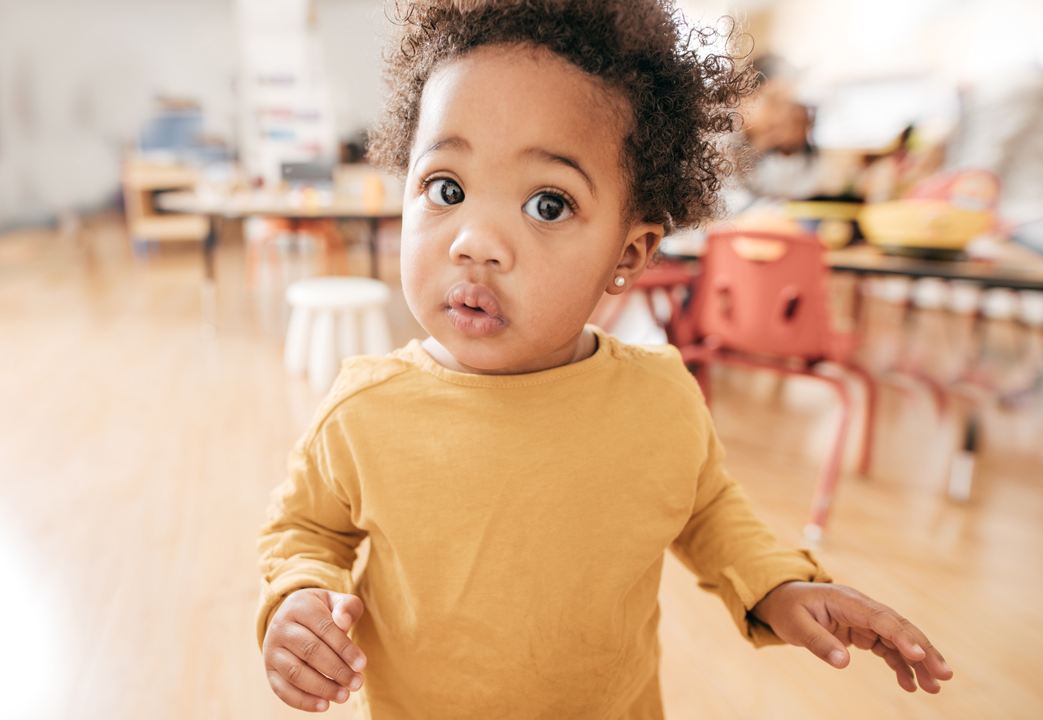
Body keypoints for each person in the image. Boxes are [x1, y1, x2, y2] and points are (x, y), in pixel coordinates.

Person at [256, 1, 954, 717]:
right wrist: (301, 597)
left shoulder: (656, 397)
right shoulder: (365, 409)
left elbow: (706, 507)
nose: (476, 241)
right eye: (447, 189)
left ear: (629, 254)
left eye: (548, 205)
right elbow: (307, 531)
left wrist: (775, 586)